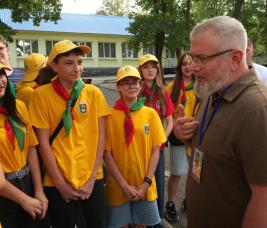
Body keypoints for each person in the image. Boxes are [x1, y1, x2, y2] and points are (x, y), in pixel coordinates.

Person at [174, 16, 267, 227]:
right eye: (192, 58)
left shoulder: (261, 111)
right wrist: (187, 138)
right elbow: (220, 154)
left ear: (236, 58)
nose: (192, 67)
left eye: (201, 59)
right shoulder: (212, 93)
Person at [29, 40, 111, 228]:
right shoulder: (41, 95)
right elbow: (43, 144)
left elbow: (101, 138)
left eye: (80, 62)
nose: (77, 68)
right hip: (56, 180)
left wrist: (92, 180)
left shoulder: (93, 93)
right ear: (54, 65)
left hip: (91, 178)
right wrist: (60, 184)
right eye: (69, 63)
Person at [104, 65, 167, 228]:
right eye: (125, 82)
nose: (131, 86)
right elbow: (107, 154)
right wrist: (124, 185)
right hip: (118, 187)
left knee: (142, 225)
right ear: (118, 86)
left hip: (144, 186)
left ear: (140, 86)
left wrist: (146, 183)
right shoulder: (109, 116)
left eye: (135, 82)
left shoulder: (150, 114)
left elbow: (155, 150)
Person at [0, 63, 48, 228]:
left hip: (27, 181)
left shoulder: (18, 107)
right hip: (5, 193)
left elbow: (31, 148)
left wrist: (38, 190)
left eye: (1, 75)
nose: (0, 82)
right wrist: (25, 200)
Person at [138, 54, 174, 226]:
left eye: (153, 66)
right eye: (146, 67)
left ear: (158, 70)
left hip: (157, 148)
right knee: (139, 181)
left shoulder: (163, 92)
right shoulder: (135, 90)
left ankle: (157, 220)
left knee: (157, 184)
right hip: (138, 148)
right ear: (141, 70)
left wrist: (161, 139)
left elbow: (170, 121)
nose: (150, 70)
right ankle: (140, 219)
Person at [165, 53, 196, 222]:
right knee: (177, 172)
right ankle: (170, 203)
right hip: (178, 137)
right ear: (180, 67)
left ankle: (189, 200)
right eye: (184, 63)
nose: (187, 66)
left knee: (195, 173)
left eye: (190, 63)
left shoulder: (201, 86)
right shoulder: (171, 88)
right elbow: (167, 113)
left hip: (197, 138)